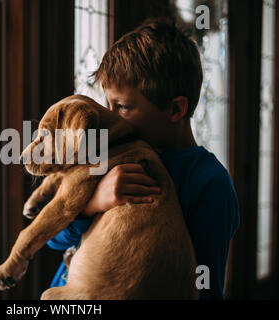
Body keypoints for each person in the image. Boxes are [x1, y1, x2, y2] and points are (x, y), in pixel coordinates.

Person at [46, 19, 240, 300]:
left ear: (175, 109)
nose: (109, 117)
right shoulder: (107, 154)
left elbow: (204, 288)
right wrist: (93, 203)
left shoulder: (209, 183)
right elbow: (55, 240)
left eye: (122, 107)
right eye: (108, 104)